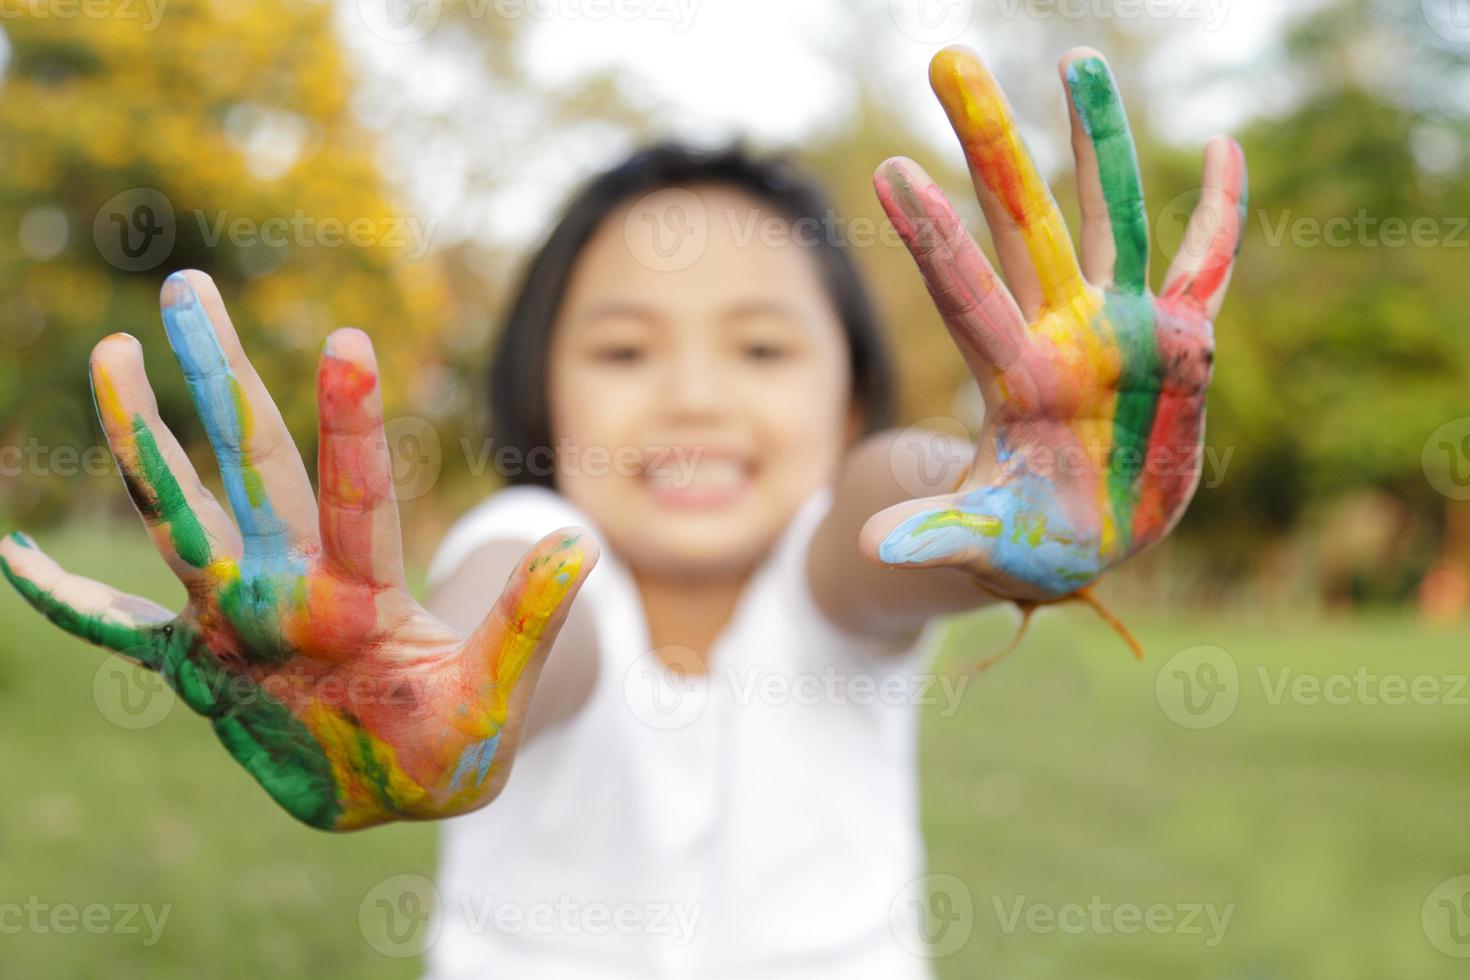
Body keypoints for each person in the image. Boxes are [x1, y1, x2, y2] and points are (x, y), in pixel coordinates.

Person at [0, 45, 1246, 978]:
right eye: (625, 349)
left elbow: (887, 522)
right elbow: (531, 635)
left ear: (849, 393)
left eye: (761, 348)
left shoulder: (846, 556)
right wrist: (402, 692)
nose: (694, 394)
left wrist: (988, 473)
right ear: (540, 381)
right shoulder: (528, 547)